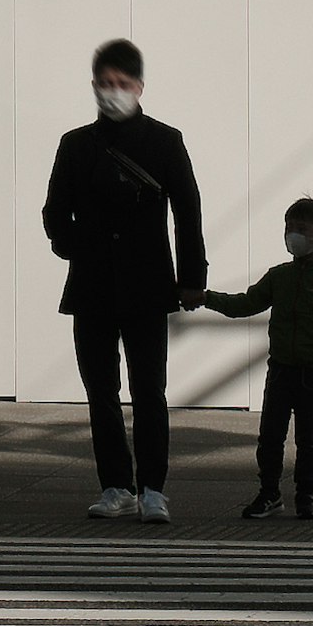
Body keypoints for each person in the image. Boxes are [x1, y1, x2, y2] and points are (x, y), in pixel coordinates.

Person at [42, 37, 207, 524]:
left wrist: (191, 278)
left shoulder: (164, 140)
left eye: (122, 84)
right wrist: (74, 246)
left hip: (148, 283)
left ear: (139, 86)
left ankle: (153, 488)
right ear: (93, 86)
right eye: (104, 84)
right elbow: (54, 210)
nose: (112, 92)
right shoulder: (76, 144)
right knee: (100, 391)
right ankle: (115, 485)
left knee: (149, 391)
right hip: (91, 285)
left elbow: (188, 212)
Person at [199, 196, 313, 521]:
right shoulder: (279, 276)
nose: (292, 235)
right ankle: (269, 493)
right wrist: (206, 298)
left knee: (309, 439)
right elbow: (245, 304)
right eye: (289, 228)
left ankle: (305, 496)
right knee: (270, 435)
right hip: (281, 369)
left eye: (301, 229)